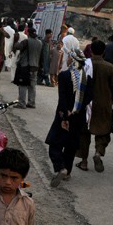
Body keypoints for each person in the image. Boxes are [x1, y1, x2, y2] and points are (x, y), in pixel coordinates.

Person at [45, 49, 90, 187]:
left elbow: (62, 97)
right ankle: (68, 172)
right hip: (78, 117)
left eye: (70, 58)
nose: (68, 60)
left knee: (55, 143)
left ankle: (60, 168)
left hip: (64, 116)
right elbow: (88, 98)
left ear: (74, 60)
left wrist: (65, 114)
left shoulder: (64, 76)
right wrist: (77, 110)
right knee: (71, 146)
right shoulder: (87, 78)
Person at [77, 40, 113, 173]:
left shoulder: (84, 64)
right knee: (103, 131)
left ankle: (84, 162)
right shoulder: (109, 67)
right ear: (104, 52)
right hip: (104, 105)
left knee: (83, 133)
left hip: (86, 105)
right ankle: (98, 153)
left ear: (91, 51)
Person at [12, 28, 43, 109]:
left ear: (28, 33)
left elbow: (17, 46)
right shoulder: (40, 42)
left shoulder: (26, 41)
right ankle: (31, 102)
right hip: (35, 67)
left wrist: (16, 41)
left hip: (25, 66)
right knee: (32, 86)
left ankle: (22, 103)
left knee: (23, 85)